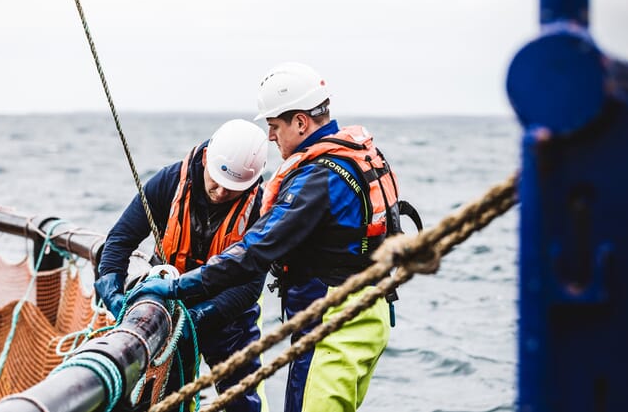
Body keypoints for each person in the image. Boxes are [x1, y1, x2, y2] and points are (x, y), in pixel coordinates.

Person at [127, 62, 404, 412]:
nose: (271, 137)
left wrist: (178, 288)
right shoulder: (351, 157)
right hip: (368, 317)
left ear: (301, 122)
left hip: (333, 325)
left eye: (274, 126)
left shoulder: (317, 179)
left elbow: (253, 252)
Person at [94, 118, 269, 412]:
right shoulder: (169, 181)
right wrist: (112, 290)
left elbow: (250, 286)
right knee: (157, 395)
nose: (222, 193)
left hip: (228, 312)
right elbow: (120, 239)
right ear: (207, 159)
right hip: (167, 306)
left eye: (233, 188)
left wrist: (200, 317)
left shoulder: (261, 207)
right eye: (218, 180)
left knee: (243, 400)